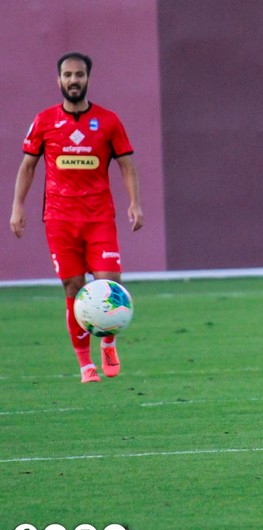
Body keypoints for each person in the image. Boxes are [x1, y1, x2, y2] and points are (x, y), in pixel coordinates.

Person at [10, 51, 143, 384]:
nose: (73, 80)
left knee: (109, 283)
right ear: (58, 80)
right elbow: (28, 166)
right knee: (73, 287)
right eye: (67, 75)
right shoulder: (44, 121)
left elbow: (126, 164)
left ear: (88, 79)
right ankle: (85, 365)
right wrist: (17, 206)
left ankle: (108, 342)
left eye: (79, 75)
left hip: (99, 217)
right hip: (59, 218)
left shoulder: (108, 121)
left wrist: (135, 204)